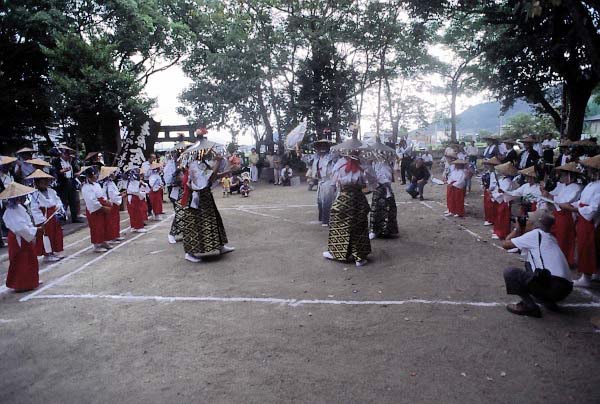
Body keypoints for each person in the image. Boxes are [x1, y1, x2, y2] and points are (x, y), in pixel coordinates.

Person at [502, 211, 573, 317]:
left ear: (534, 224)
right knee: (529, 265)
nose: (526, 221)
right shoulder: (551, 238)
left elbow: (505, 244)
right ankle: (547, 300)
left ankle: (529, 307)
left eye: (528, 220)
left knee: (511, 273)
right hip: (565, 288)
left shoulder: (536, 234)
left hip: (552, 285)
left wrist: (516, 228)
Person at [179, 147, 234, 263]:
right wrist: (218, 162)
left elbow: (212, 177)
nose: (207, 153)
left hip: (205, 197)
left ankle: (220, 246)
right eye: (205, 152)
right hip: (197, 199)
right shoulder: (194, 166)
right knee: (194, 224)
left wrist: (227, 171)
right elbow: (209, 178)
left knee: (214, 220)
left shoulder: (202, 164)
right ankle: (189, 253)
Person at [323, 146, 372, 267]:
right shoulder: (364, 164)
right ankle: (359, 258)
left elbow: (334, 182)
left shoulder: (340, 164)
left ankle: (336, 253)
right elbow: (371, 183)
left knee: (339, 222)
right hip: (358, 199)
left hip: (344, 198)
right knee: (358, 225)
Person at [561, 155, 600, 287]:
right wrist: (574, 205)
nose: (588, 172)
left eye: (590, 170)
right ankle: (594, 272)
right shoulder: (591, 184)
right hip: (584, 217)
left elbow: (594, 208)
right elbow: (582, 201)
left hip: (590, 220)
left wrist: (575, 210)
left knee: (587, 246)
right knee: (588, 245)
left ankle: (587, 276)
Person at [1, 183, 43, 292]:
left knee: (30, 258)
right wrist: (34, 231)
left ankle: (31, 280)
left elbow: (25, 222)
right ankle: (21, 284)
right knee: (20, 260)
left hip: (25, 236)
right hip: (18, 238)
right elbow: (19, 228)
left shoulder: (19, 207)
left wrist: (33, 229)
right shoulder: (10, 211)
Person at [542, 162, 583, 267]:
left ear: (571, 176)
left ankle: (565, 260)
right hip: (558, 213)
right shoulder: (563, 186)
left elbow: (566, 201)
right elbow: (554, 194)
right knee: (556, 236)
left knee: (565, 239)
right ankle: (555, 258)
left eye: (564, 175)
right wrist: (545, 191)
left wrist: (551, 197)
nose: (562, 177)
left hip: (567, 215)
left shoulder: (576, 187)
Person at [27, 170, 64, 262]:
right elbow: (34, 209)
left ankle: (53, 251)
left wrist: (58, 208)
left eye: (46, 181)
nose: (45, 183)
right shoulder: (34, 195)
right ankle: (47, 254)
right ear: (37, 183)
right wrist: (41, 221)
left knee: (55, 234)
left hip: (53, 215)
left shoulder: (52, 191)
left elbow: (58, 200)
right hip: (44, 216)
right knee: (46, 235)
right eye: (42, 182)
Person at [81, 167, 113, 253]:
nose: (96, 176)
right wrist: (102, 207)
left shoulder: (97, 184)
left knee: (103, 225)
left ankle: (103, 241)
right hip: (95, 209)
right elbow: (91, 201)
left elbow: (101, 195)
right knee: (96, 227)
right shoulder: (86, 187)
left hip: (101, 205)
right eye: (94, 175)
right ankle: (97, 244)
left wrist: (106, 201)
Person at [369, 157, 398, 240]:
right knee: (376, 210)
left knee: (389, 209)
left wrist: (382, 181)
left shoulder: (387, 165)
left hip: (385, 189)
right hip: (378, 189)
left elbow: (389, 178)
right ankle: (374, 230)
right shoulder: (374, 164)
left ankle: (388, 230)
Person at [52, 146, 82, 223]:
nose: (68, 156)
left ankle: (75, 217)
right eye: (66, 154)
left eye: (68, 154)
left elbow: (74, 171)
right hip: (62, 183)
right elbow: (55, 172)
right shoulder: (56, 161)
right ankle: (62, 218)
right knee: (63, 201)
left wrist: (77, 173)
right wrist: (64, 170)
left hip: (71, 181)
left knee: (73, 200)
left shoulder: (71, 161)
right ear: (62, 154)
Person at [312, 139, 337, 227]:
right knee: (319, 200)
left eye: (324, 145)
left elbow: (336, 157)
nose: (322, 147)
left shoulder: (331, 156)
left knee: (327, 201)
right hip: (320, 180)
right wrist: (298, 152)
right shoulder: (316, 157)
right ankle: (322, 218)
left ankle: (327, 220)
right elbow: (307, 159)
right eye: (320, 145)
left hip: (329, 180)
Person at [491, 162, 518, 240]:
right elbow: (498, 189)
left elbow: (504, 192)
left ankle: (501, 233)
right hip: (499, 200)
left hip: (504, 201)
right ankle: (497, 231)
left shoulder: (508, 181)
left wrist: (497, 194)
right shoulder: (502, 179)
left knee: (502, 217)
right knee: (498, 216)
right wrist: (494, 193)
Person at [100, 166, 124, 245]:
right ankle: (111, 236)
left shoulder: (111, 183)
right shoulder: (107, 184)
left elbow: (114, 193)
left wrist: (119, 195)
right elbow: (111, 195)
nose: (114, 175)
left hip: (114, 202)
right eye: (112, 173)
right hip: (111, 203)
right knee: (111, 221)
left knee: (116, 220)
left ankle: (116, 235)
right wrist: (120, 196)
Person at [125, 168, 148, 234]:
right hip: (133, 198)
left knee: (134, 213)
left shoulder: (132, 182)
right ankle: (138, 227)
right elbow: (135, 191)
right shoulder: (133, 182)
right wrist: (142, 195)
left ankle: (134, 226)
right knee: (137, 212)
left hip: (133, 197)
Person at [481, 157, 501, 226]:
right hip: (489, 190)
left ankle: (491, 219)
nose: (488, 166)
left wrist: (489, 189)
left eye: (490, 165)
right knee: (488, 205)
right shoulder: (490, 173)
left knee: (490, 206)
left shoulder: (494, 173)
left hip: (492, 191)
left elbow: (494, 183)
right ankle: (489, 218)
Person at [168, 168, 185, 244]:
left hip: (187, 201)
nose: (183, 176)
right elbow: (174, 196)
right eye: (181, 174)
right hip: (178, 201)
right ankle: (172, 234)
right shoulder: (176, 183)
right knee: (179, 216)